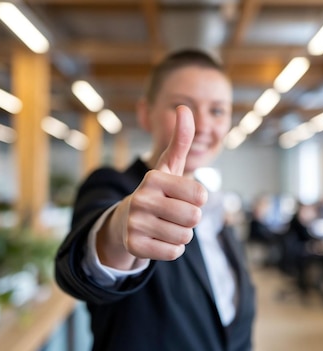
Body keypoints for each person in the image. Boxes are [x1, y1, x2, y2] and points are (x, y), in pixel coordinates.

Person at [55, 49, 256, 351]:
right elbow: (85, 265)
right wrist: (117, 232)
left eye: (217, 110)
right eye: (182, 106)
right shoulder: (114, 187)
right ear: (146, 114)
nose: (201, 125)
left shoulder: (214, 209)